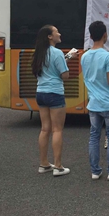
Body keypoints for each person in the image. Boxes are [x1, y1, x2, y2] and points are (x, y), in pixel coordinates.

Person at [80, 21, 109, 181]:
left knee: (94, 137)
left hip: (93, 103)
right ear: (105, 35)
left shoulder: (84, 57)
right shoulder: (107, 56)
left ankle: (95, 171)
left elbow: (93, 78)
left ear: (91, 36)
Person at [31, 25, 73, 177]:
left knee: (45, 129)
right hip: (55, 93)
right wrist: (67, 62)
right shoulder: (57, 53)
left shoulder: (39, 53)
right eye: (56, 32)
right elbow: (65, 75)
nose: (59, 34)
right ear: (50, 36)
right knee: (57, 130)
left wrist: (66, 58)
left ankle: (44, 164)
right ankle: (58, 166)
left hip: (41, 92)